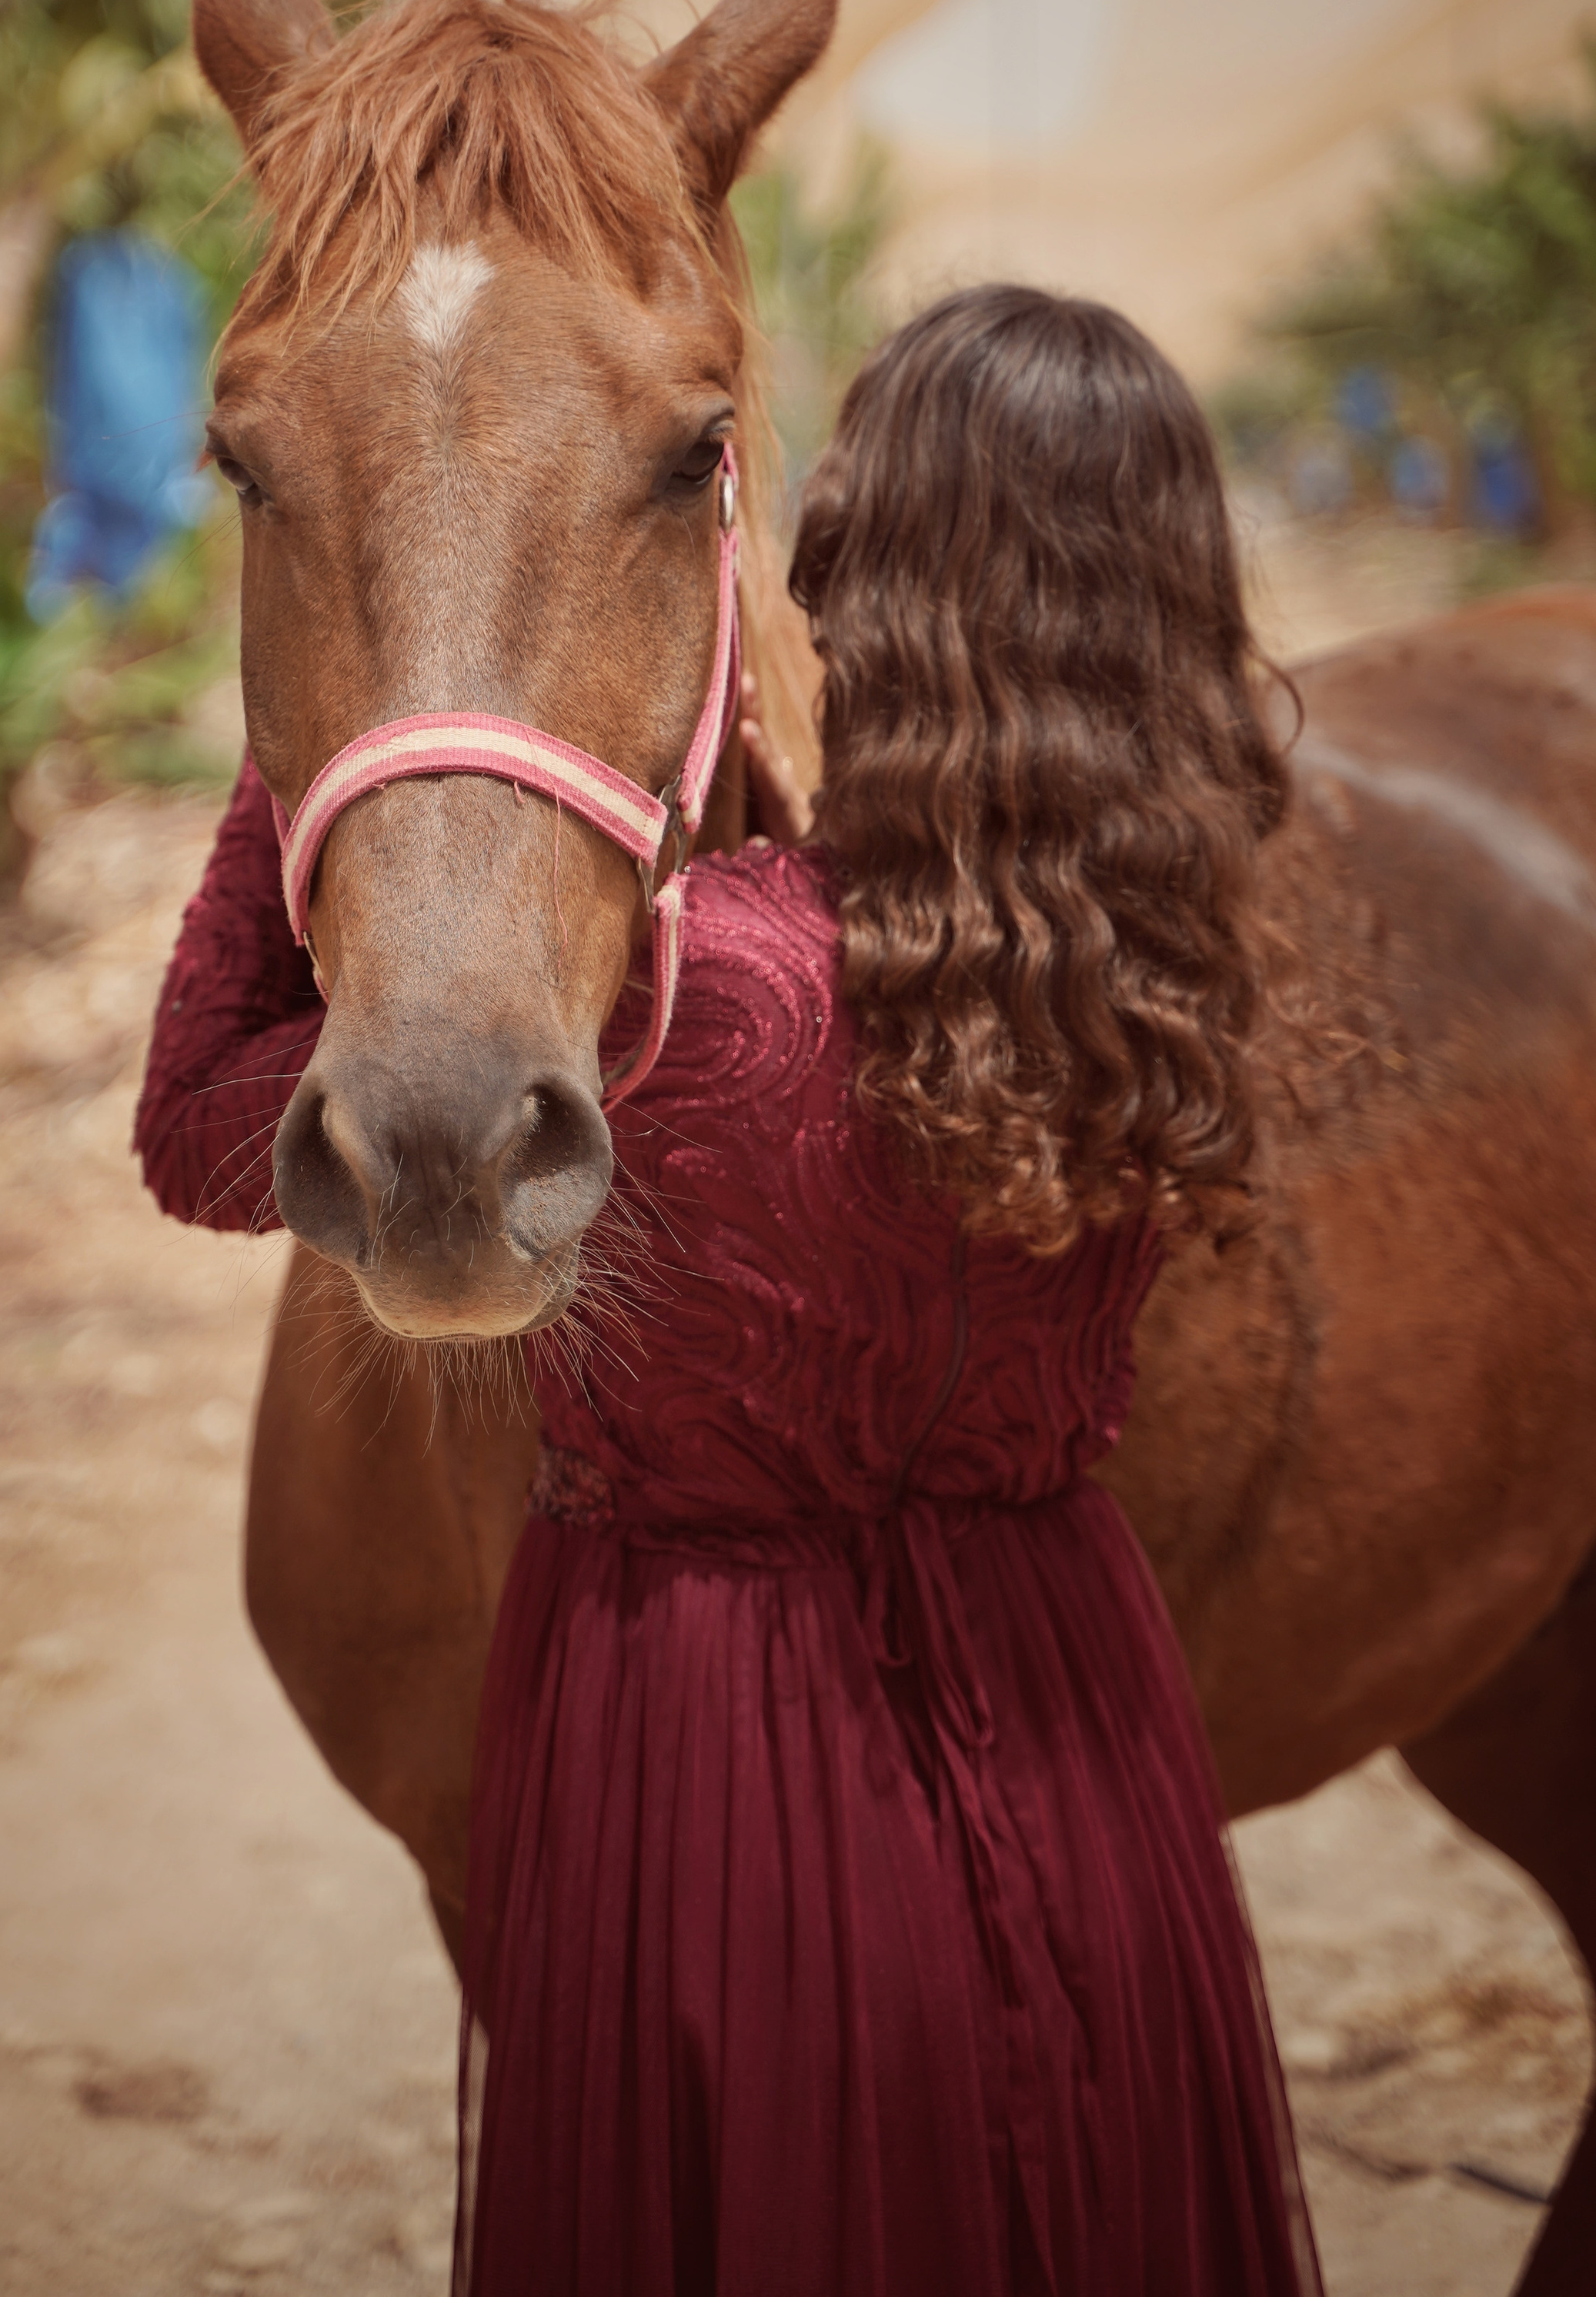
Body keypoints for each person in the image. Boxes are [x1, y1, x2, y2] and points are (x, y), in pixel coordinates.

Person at [135, 284, 1321, 2297]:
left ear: (844, 566)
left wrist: (347, 705)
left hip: (716, 1752)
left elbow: (195, 1125)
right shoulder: (1152, 962)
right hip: (1078, 1740)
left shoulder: (702, 993)